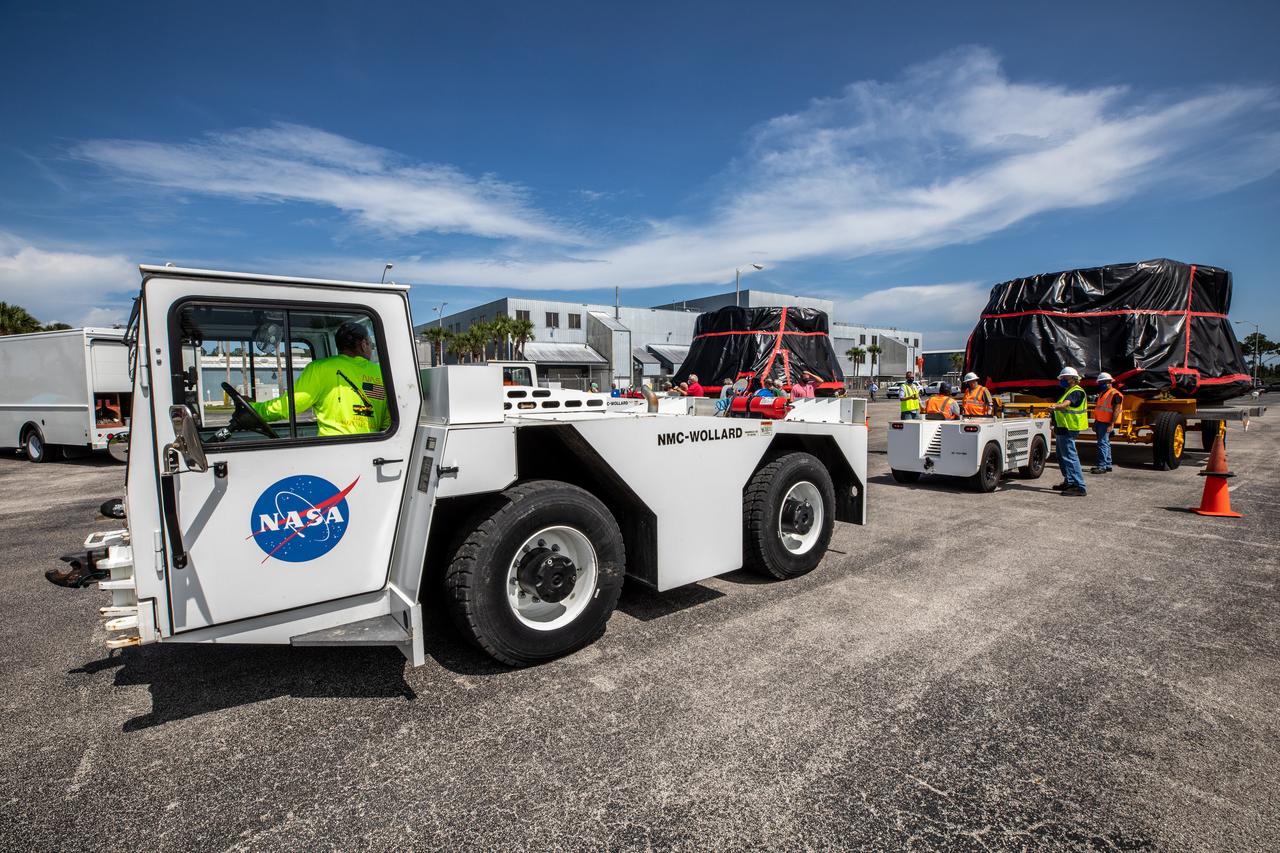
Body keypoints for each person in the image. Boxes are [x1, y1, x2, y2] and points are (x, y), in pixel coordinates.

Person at [250, 320, 389, 436]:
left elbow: (290, 406)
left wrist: (254, 409)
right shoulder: (383, 374)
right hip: (372, 451)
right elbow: (388, 422)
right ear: (363, 344)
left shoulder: (319, 368)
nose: (371, 348)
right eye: (371, 345)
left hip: (331, 452)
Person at [1050, 366, 1089, 496]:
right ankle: (1070, 481)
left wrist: (1055, 407)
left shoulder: (1076, 391)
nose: (1061, 380)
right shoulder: (1068, 390)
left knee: (1070, 457)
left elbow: (1066, 404)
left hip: (1069, 428)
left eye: (1064, 378)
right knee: (1062, 457)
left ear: (1073, 379)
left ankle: (1079, 486)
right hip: (1062, 428)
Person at [1090, 372, 1123, 474]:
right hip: (1100, 422)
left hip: (1106, 423)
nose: (1100, 384)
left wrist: (1111, 424)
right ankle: (1107, 464)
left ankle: (1102, 466)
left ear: (1109, 382)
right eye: (1100, 382)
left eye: (1102, 382)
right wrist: (1096, 421)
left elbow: (1116, 410)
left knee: (1102, 444)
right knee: (1105, 444)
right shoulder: (1102, 393)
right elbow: (1099, 409)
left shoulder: (1115, 394)